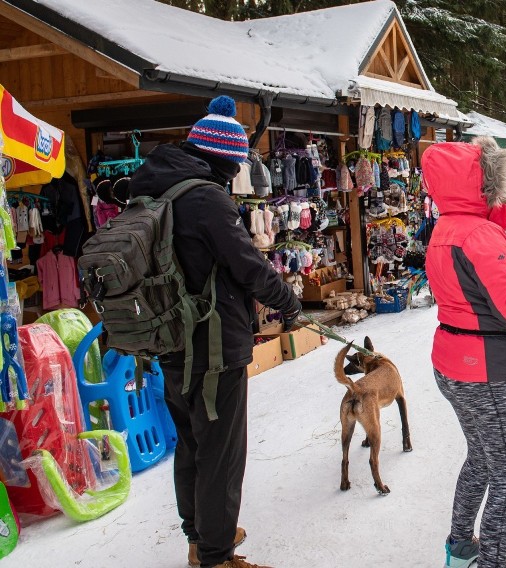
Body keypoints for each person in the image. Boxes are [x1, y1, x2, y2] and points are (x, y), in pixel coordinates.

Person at [128, 96, 301, 568]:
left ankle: (200, 537)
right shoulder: (206, 198)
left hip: (169, 339)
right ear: (225, 161)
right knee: (221, 452)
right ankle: (216, 556)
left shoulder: (156, 190)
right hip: (213, 346)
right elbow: (249, 266)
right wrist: (289, 302)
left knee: (190, 443)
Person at [422, 137, 506, 568]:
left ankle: (460, 546)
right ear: (483, 183)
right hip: (487, 371)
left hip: (453, 362)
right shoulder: (481, 233)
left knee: (481, 458)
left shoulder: (446, 227)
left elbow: (477, 287)